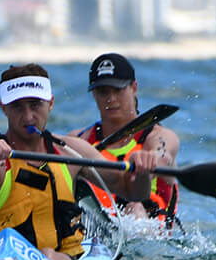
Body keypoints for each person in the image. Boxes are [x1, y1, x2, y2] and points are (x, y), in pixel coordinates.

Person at [0, 63, 158, 260]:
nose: (28, 115)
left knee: (48, 256)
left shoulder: (72, 153)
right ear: (4, 108)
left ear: (50, 103)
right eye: (17, 107)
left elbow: (134, 192)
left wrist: (142, 172)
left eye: (35, 104)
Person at [72, 52, 181, 229]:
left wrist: (147, 161)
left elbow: (163, 156)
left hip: (148, 234)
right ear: (93, 94)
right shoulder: (79, 141)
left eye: (118, 89)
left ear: (134, 88)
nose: (111, 98)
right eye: (103, 91)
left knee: (135, 207)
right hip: (94, 230)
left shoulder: (159, 137)